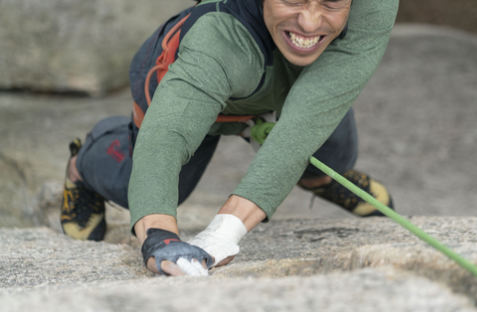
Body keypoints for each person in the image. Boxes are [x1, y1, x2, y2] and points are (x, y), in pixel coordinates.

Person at [60, 0, 398, 276]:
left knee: (331, 157)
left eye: (330, 3)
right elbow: (167, 137)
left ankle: (317, 177)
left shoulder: (373, 6)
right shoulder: (217, 37)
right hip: (195, 81)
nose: (310, 22)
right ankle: (84, 162)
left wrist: (225, 232)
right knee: (142, 188)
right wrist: (160, 238)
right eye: (292, 0)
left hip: (290, 75)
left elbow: (310, 118)